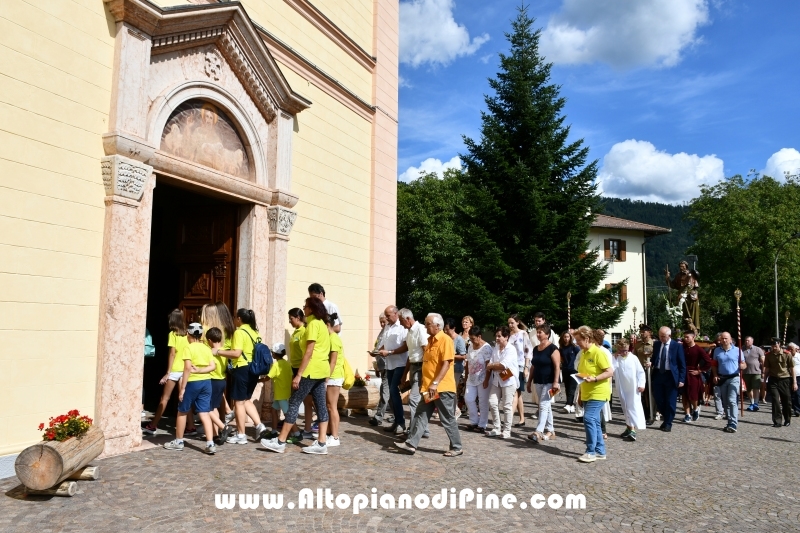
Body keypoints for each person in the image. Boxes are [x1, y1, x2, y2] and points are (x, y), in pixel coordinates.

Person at [261, 297, 331, 454]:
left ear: (311, 309)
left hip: (310, 370)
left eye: (305, 306)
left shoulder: (313, 324)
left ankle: (280, 441)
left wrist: (299, 374)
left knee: (293, 403)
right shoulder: (322, 324)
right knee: (320, 405)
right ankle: (321, 443)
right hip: (322, 370)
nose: (304, 309)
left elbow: (309, 351)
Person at [395, 313, 462, 456]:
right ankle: (411, 444)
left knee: (447, 418)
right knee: (421, 415)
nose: (425, 327)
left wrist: (436, 382)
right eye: (425, 324)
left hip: (442, 388)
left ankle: (456, 447)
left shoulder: (445, 340)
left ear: (438, 326)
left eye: (428, 324)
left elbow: (446, 363)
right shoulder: (430, 340)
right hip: (429, 388)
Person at [163, 323, 217, 454]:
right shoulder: (206, 348)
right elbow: (213, 366)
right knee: (204, 412)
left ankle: (179, 441)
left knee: (182, 411)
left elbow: (187, 368)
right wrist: (201, 370)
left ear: (188, 334)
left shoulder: (188, 348)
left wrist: (182, 388)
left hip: (193, 383)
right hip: (206, 382)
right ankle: (210, 443)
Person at [215, 309, 268, 444]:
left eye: (234, 317)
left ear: (239, 319)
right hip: (253, 370)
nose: (233, 320)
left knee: (238, 402)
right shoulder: (255, 332)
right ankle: (259, 425)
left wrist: (218, 352)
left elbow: (236, 353)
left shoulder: (239, 332)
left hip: (242, 368)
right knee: (245, 399)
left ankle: (241, 435)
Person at [144, 309, 197, 436]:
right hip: (185, 369)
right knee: (184, 399)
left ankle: (153, 425)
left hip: (175, 369)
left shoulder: (173, 334)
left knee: (164, 398)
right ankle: (191, 426)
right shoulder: (188, 334)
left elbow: (172, 353)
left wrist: (167, 372)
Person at [574, 326, 613, 463]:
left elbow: (609, 371)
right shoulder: (583, 353)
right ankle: (600, 451)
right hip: (586, 392)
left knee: (589, 418)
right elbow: (585, 373)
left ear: (587, 338)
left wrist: (595, 378)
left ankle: (590, 451)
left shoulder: (598, 352)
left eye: (578, 340)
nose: (576, 343)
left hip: (598, 392)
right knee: (595, 422)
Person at [526, 323, 561, 443]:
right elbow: (533, 366)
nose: (538, 334)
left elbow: (557, 366)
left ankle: (538, 431)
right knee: (546, 407)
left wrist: (556, 382)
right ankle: (551, 431)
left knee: (543, 405)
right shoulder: (536, 349)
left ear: (547, 334)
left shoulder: (553, 348)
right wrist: (529, 380)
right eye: (537, 332)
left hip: (550, 381)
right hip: (538, 380)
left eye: (540, 332)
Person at [398, 309, 429, 439]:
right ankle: (423, 429)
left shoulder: (420, 329)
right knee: (419, 400)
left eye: (401, 321)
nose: (401, 324)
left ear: (408, 319)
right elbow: (411, 356)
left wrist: (427, 371)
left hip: (422, 366)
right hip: (414, 366)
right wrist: (405, 374)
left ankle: (414, 430)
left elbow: (426, 350)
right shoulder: (409, 332)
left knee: (414, 399)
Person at [377, 306, 408, 435]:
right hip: (389, 364)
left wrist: (389, 352)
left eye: (388, 315)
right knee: (391, 393)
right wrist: (378, 351)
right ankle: (397, 421)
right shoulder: (388, 327)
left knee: (394, 392)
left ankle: (401, 422)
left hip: (400, 363)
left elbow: (406, 346)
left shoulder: (402, 327)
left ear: (395, 314)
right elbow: (386, 343)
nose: (386, 318)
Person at [484, 326, 518, 439]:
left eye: (499, 336)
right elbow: (491, 365)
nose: (497, 338)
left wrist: (493, 365)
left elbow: (503, 365)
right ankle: (496, 428)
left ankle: (507, 430)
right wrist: (494, 365)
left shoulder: (511, 349)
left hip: (508, 380)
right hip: (497, 380)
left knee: (507, 406)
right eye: (496, 336)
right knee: (492, 402)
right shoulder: (496, 348)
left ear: (506, 337)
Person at [651, 326, 686, 432]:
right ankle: (666, 419)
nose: (661, 338)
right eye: (660, 336)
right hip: (658, 375)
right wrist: (651, 363)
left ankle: (668, 423)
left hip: (671, 376)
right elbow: (655, 358)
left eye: (663, 336)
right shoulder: (657, 344)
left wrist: (681, 379)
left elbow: (682, 364)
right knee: (659, 399)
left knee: (670, 401)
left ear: (669, 336)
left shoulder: (677, 346)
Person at [612, 339, 646, 441]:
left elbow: (640, 372)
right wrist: (614, 357)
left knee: (633, 407)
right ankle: (628, 427)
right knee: (625, 407)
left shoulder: (633, 358)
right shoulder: (616, 358)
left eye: (626, 350)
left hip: (633, 387)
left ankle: (633, 430)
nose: (624, 353)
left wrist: (641, 384)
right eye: (622, 351)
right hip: (622, 386)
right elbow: (611, 370)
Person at [711, 332, 745, 433]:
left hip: (734, 377)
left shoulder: (737, 350)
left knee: (731, 400)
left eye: (726, 338)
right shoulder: (717, 350)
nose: (724, 340)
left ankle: (733, 422)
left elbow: (743, 363)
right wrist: (715, 375)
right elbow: (714, 365)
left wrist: (743, 366)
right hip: (722, 378)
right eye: (722, 339)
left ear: (730, 340)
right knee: (725, 401)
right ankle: (729, 421)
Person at [286, 307, 310, 442]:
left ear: (298, 317)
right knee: (298, 400)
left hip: (301, 369)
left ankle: (299, 430)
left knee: (298, 401)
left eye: (291, 319)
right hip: (294, 367)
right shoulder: (296, 331)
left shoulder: (303, 332)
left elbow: (306, 352)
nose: (290, 321)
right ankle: (297, 428)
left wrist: (300, 372)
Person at [764, 338, 797, 428]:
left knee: (786, 401)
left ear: (779, 344)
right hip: (773, 379)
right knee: (775, 400)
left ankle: (787, 419)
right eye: (772, 346)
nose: (774, 348)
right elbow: (766, 369)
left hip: (785, 379)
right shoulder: (768, 355)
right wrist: (764, 381)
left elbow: (792, 369)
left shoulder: (787, 354)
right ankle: (777, 421)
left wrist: (794, 382)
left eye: (775, 346)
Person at [464, 326, 492, 432]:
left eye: (473, 338)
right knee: (469, 399)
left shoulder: (486, 348)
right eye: (470, 339)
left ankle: (482, 424)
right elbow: (468, 362)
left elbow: (488, 365)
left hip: (483, 378)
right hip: (471, 378)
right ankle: (474, 421)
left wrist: (486, 380)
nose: (472, 341)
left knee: (483, 402)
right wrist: (466, 376)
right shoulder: (471, 346)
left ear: (479, 337)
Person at [680, 330, 712, 423]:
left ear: (693, 337)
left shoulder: (698, 349)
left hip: (693, 374)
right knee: (684, 394)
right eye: (684, 337)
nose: (685, 339)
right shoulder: (682, 347)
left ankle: (695, 408)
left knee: (693, 395)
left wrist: (699, 371)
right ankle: (687, 414)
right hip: (683, 373)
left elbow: (708, 362)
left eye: (687, 337)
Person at [507, 314, 532, 427]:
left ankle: (510, 417)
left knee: (516, 391)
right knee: (518, 393)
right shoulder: (509, 335)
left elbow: (528, 351)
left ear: (517, 322)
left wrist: (526, 367)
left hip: (520, 365)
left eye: (512, 322)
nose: (510, 325)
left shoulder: (523, 334)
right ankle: (522, 418)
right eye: (509, 323)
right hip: (510, 366)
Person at [263, 342, 291, 439]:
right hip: (284, 392)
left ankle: (296, 434)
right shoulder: (287, 364)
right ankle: (274, 431)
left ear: (274, 354)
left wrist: (258, 380)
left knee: (288, 415)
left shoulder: (276, 365)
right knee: (274, 410)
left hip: (280, 394)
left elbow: (268, 377)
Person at [325, 316, 345, 446]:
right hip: (332, 376)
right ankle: (328, 433)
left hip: (334, 376)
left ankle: (335, 437)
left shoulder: (334, 339)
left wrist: (327, 377)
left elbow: (333, 361)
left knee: (332, 407)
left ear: (327, 324)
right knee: (328, 406)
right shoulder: (331, 338)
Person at [368, 313, 390, 427]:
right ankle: (397, 417)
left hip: (388, 365)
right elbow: (378, 348)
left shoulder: (388, 332)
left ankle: (379, 416)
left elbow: (387, 349)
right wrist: (377, 366)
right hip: (382, 366)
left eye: (384, 322)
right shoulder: (382, 332)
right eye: (380, 322)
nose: (382, 324)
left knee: (384, 391)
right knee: (389, 392)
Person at [444, 317, 466, 419]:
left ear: (453, 328)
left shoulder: (459, 339)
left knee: (452, 390)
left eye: (447, 329)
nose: (445, 331)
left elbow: (463, 356)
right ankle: (450, 410)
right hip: (446, 369)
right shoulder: (446, 338)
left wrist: (450, 356)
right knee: (446, 390)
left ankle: (455, 410)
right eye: (445, 329)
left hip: (456, 369)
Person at [633, 324, 655, 424]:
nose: (642, 333)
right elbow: (634, 357)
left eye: (644, 331)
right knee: (641, 393)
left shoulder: (655, 344)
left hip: (651, 371)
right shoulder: (638, 345)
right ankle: (644, 414)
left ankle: (652, 415)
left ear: (649, 332)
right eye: (641, 331)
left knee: (650, 394)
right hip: (640, 371)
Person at [742, 336, 766, 412]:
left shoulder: (757, 349)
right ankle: (752, 402)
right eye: (745, 340)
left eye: (748, 340)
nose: (746, 342)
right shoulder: (741, 349)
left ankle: (756, 403)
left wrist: (763, 372)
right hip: (745, 372)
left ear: (752, 341)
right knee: (748, 389)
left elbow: (763, 361)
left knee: (756, 387)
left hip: (756, 372)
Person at [560, 331, 580, 413]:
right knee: (567, 387)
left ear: (570, 338)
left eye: (568, 337)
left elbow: (580, 356)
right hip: (565, 369)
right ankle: (570, 404)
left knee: (572, 388)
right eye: (565, 337)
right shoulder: (561, 348)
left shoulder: (574, 347)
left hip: (573, 370)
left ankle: (568, 404)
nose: (566, 338)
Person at [790, 343, 800, 417]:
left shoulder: (799, 356)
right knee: (791, 394)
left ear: (796, 349)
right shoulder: (788, 356)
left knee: (797, 393)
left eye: (792, 349)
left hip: (798, 376)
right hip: (789, 377)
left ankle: (797, 409)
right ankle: (794, 408)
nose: (790, 351)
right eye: (789, 349)